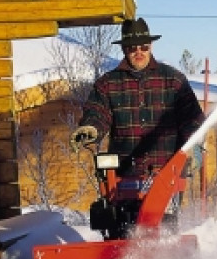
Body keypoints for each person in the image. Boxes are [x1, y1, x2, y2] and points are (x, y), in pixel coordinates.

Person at [70, 18, 205, 179]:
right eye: (132, 47)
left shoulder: (174, 80)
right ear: (124, 49)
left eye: (144, 46)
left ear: (151, 46)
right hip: (124, 175)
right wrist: (90, 129)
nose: (139, 51)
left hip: (167, 174)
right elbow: (97, 113)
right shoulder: (107, 83)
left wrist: (194, 144)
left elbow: (191, 117)